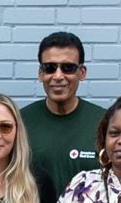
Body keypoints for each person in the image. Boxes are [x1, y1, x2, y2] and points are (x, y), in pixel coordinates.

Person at [20, 31, 105, 194]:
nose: (58, 76)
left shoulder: (105, 123)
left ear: (82, 72)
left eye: (68, 68)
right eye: (50, 68)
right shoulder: (20, 122)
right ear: (40, 73)